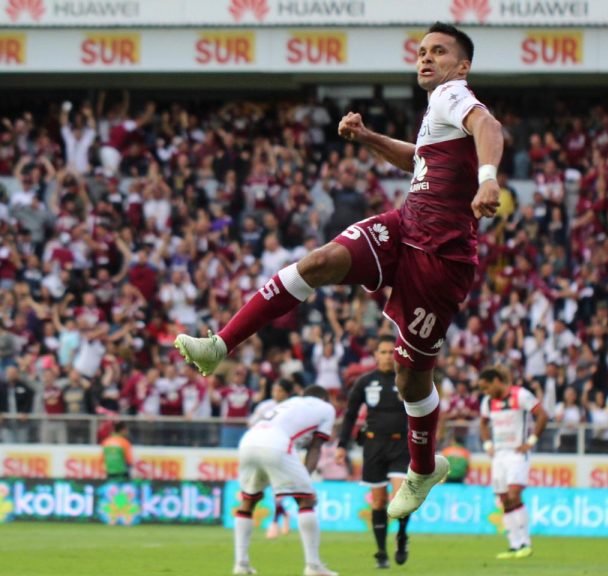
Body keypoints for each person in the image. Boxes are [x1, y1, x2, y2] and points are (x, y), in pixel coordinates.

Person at [175, 21, 503, 520]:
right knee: (320, 261)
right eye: (421, 51)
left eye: (439, 51)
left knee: (413, 382)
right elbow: (418, 161)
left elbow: (489, 127)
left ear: (462, 66)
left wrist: (489, 179)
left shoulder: (454, 95)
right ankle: (219, 344)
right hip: (405, 228)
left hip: (441, 260)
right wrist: (369, 137)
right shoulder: (438, 111)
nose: (425, 58)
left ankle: (422, 468)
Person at [233, 385, 337, 576]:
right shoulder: (327, 408)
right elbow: (315, 447)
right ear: (325, 399)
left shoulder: (291, 403)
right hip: (275, 443)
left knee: (248, 500)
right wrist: (305, 480)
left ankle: (241, 564)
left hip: (248, 441)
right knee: (306, 500)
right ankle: (313, 567)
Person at [335, 335, 410, 569]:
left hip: (400, 445)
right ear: (376, 355)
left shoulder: (407, 380)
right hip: (374, 445)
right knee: (378, 501)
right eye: (384, 352)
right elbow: (350, 415)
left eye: (392, 352)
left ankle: (401, 536)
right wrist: (341, 445)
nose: (388, 356)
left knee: (401, 499)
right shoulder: (365, 382)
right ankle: (381, 552)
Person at [478, 367, 547, 560]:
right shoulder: (488, 402)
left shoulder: (521, 395)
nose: (486, 392)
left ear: (497, 381)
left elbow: (542, 414)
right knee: (504, 500)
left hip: (517, 454)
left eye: (487, 387)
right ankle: (514, 546)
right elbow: (483, 424)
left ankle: (526, 542)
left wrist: (531, 442)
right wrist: (488, 444)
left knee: (514, 494)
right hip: (498, 456)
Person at [250, 378, 295, 540]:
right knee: (263, 488)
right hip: (263, 449)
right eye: (275, 390)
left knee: (279, 488)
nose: (276, 393)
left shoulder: (292, 408)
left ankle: (274, 523)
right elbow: (251, 423)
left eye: (280, 390)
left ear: (287, 393)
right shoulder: (265, 407)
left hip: (282, 450)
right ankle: (284, 515)